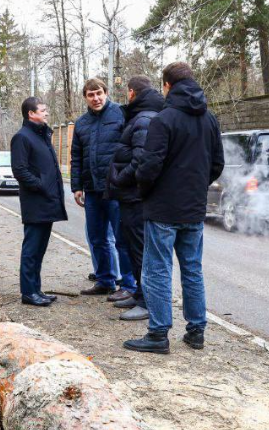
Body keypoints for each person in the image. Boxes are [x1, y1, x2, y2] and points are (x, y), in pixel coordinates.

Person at [124, 62, 224, 355]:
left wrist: (145, 191)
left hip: (163, 208)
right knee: (192, 269)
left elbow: (148, 166)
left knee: (157, 270)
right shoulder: (210, 119)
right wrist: (196, 187)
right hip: (193, 208)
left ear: (167, 85)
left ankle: (158, 334)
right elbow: (217, 163)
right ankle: (196, 332)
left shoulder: (163, 119)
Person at [105, 75, 166, 322]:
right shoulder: (143, 115)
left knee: (141, 251)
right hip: (131, 196)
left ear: (132, 93)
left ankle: (146, 302)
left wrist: (120, 178)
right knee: (133, 247)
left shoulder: (144, 118)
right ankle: (139, 292)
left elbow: (140, 160)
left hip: (136, 196)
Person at [70, 78, 136, 297]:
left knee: (121, 239)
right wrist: (77, 186)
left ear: (106, 93)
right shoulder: (81, 123)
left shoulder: (121, 114)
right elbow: (76, 157)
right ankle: (105, 280)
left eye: (99, 93)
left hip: (116, 189)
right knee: (96, 237)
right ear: (85, 97)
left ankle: (128, 285)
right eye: (90, 95)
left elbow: (133, 147)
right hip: (92, 190)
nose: (96, 98)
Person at [11, 97, 68, 307]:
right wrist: (41, 185)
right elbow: (19, 170)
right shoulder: (22, 137)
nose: (46, 113)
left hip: (47, 202)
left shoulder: (42, 135)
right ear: (31, 114)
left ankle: (36, 289)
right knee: (31, 250)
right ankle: (28, 293)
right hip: (35, 202)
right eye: (43, 110)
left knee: (40, 250)